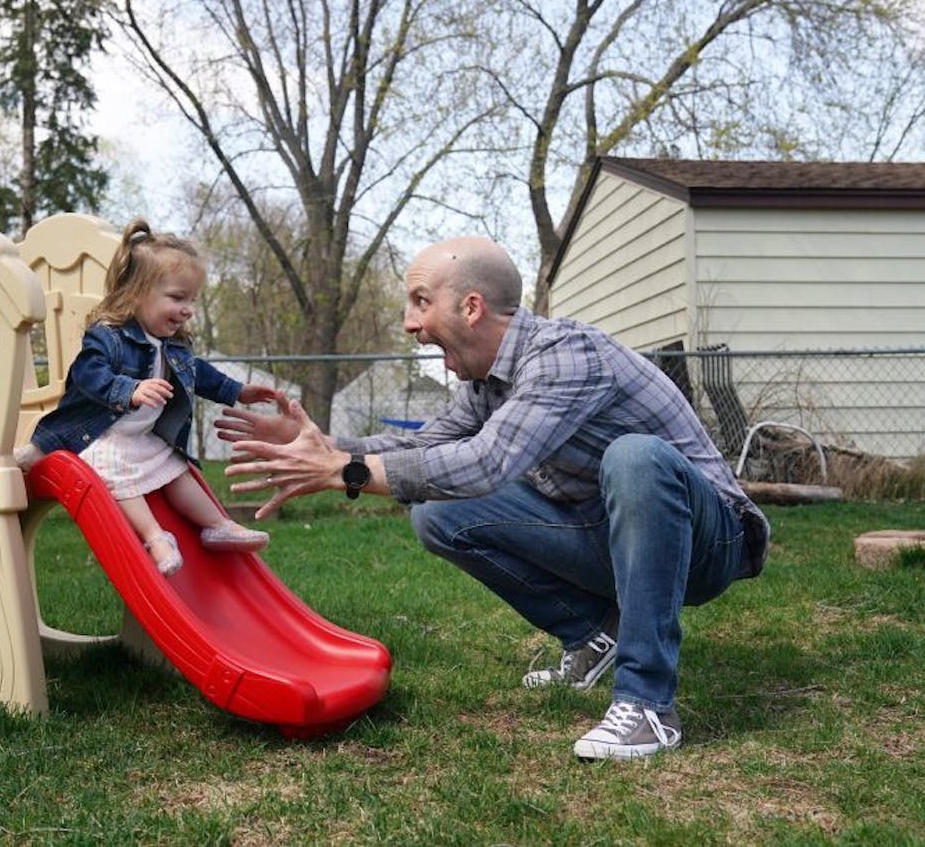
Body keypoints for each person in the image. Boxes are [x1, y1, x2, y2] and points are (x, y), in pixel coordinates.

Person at [217, 236, 769, 760]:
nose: (410, 323)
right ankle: (594, 636)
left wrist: (349, 472)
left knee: (635, 456)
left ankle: (648, 705)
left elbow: (487, 462)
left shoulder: (563, 355)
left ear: (472, 306)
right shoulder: (488, 382)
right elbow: (423, 446)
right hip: (612, 538)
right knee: (439, 511)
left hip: (706, 543)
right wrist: (324, 446)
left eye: (421, 302)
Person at [14, 219, 280, 576]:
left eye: (192, 300)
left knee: (176, 468)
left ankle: (217, 524)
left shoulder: (174, 344)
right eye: (177, 298)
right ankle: (155, 537)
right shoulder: (107, 337)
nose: (188, 309)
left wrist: (238, 391)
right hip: (100, 434)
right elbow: (87, 375)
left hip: (141, 436)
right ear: (137, 293)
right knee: (117, 473)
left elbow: (200, 374)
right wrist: (131, 389)